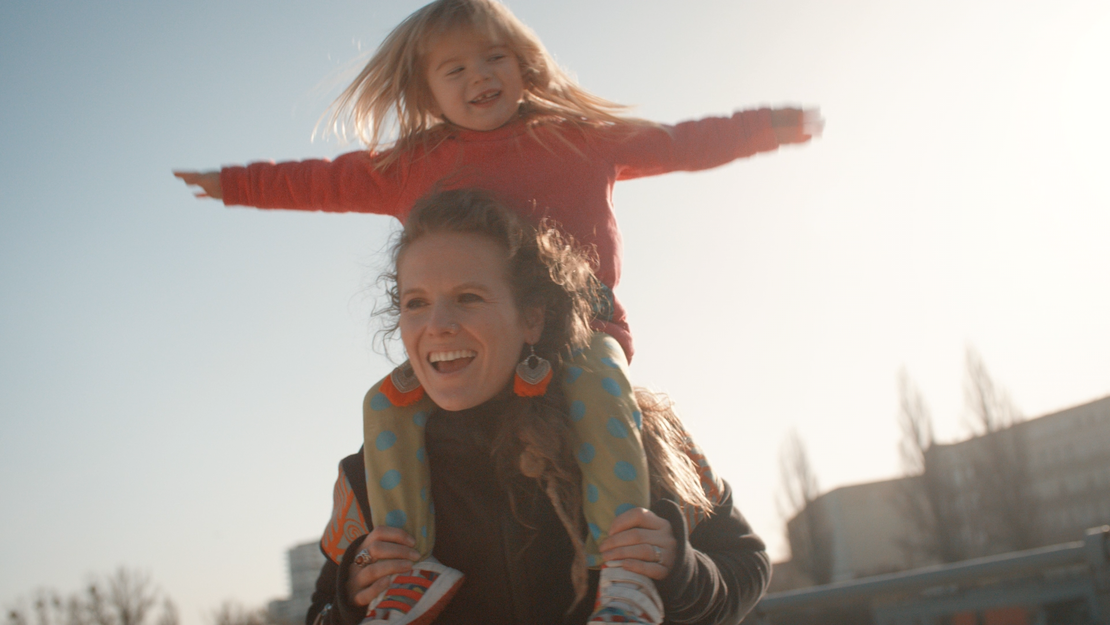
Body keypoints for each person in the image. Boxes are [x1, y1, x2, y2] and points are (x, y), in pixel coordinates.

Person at [173, 0, 816, 620]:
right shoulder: (413, 166)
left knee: (595, 385)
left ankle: (621, 571)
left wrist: (771, 126)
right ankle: (409, 572)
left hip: (585, 334)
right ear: (426, 91)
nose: (479, 77)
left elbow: (683, 143)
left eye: (493, 58)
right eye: (454, 69)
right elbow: (316, 182)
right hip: (407, 542)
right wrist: (230, 184)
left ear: (526, 65)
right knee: (382, 401)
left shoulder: (576, 140)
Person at [308, 189, 770, 625]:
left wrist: (680, 571)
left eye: (468, 297)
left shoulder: (640, 432)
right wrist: (353, 596)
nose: (438, 325)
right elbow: (319, 614)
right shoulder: (366, 477)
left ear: (531, 317)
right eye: (416, 303)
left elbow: (748, 565)